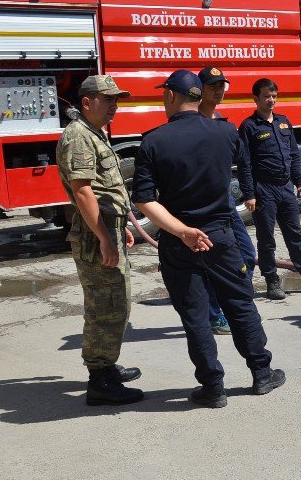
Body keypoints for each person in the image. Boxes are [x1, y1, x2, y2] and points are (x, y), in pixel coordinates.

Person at [133, 69, 283, 408]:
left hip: (178, 241)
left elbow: (144, 199)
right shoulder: (227, 132)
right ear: (199, 96)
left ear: (172, 96)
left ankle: (213, 387)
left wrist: (183, 232)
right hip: (221, 236)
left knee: (196, 316)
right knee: (240, 305)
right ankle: (262, 373)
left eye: (164, 94)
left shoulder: (153, 141)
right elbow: (241, 169)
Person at [55, 75, 144, 406]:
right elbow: (83, 191)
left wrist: (120, 228)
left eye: (116, 100)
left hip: (107, 227)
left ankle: (106, 365)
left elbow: (106, 191)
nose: (115, 106)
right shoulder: (78, 137)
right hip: (96, 234)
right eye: (109, 100)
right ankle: (100, 380)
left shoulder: (93, 134)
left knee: (117, 302)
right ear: (87, 103)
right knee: (105, 306)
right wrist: (105, 237)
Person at [238, 78, 301, 300]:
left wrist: (300, 182)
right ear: (256, 99)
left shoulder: (284, 122)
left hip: (285, 188)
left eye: (274, 96)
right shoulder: (249, 127)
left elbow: (293, 155)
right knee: (266, 239)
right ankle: (271, 280)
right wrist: (249, 194)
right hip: (264, 190)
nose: (271, 100)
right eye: (266, 96)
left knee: (295, 235)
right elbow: (245, 164)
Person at [197, 66, 258, 335]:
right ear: (199, 90)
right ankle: (214, 315)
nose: (219, 90)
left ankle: (229, 304)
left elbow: (240, 161)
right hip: (205, 207)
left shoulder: (220, 120)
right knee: (212, 263)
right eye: (213, 86)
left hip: (227, 203)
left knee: (247, 255)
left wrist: (250, 192)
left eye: (222, 85)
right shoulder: (192, 122)